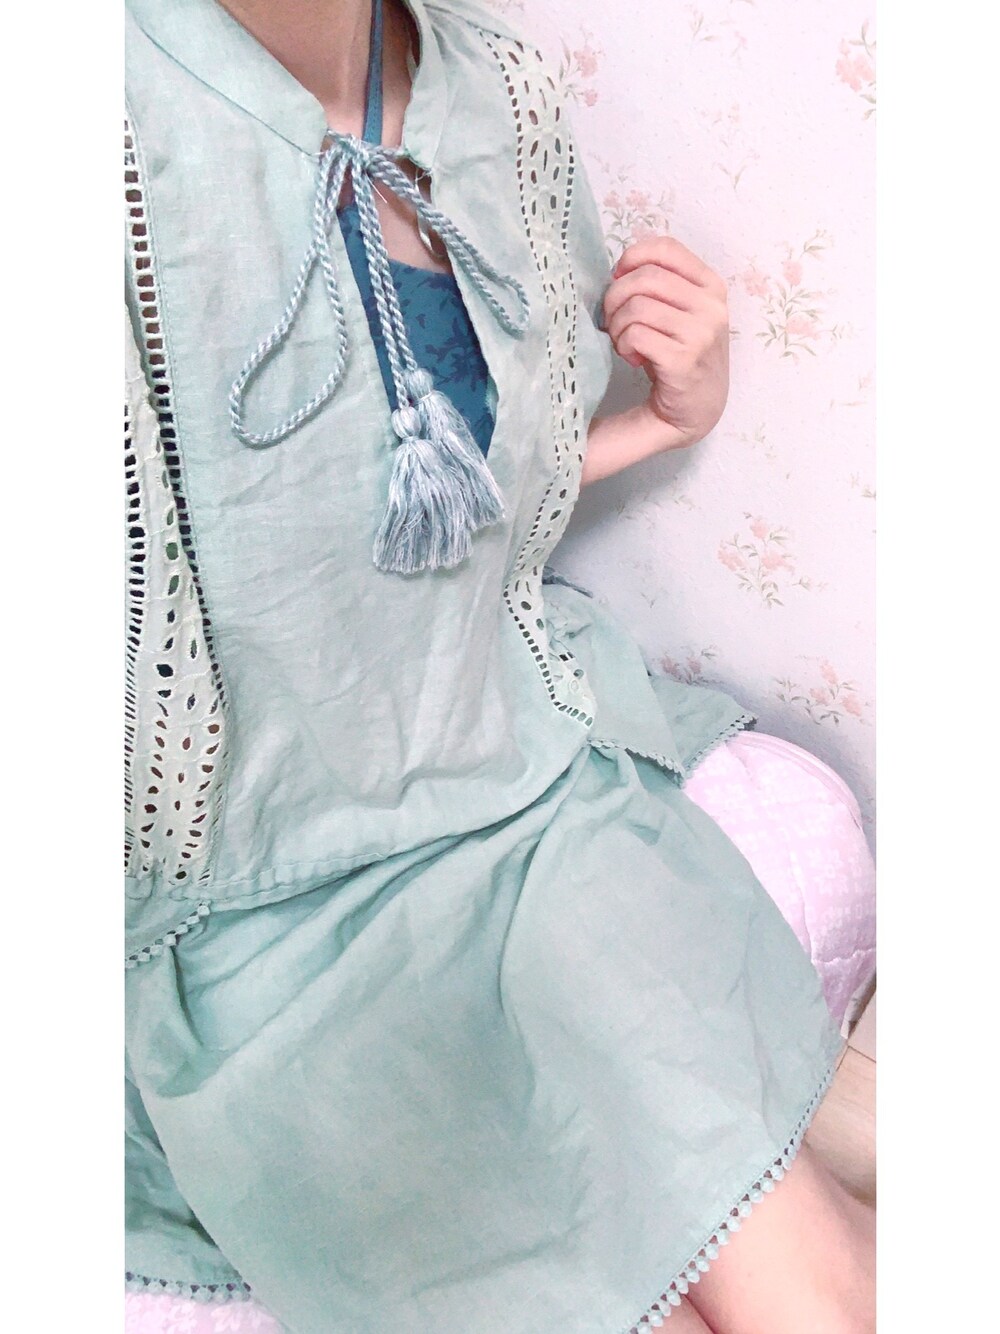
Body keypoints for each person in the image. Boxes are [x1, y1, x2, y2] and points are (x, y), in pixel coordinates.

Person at [124, 1, 875, 1330]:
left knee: (824, 1304)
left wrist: (669, 418)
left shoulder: (498, 98)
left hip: (518, 781)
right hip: (257, 903)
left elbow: (453, 505)